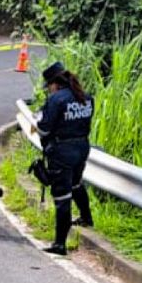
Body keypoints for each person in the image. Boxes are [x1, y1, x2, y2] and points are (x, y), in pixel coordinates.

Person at [36, 62, 94, 255]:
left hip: (62, 150)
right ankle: (86, 218)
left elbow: (44, 128)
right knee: (76, 183)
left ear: (54, 83)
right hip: (82, 147)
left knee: (62, 196)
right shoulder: (85, 97)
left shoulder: (56, 100)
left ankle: (60, 244)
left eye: (49, 86)